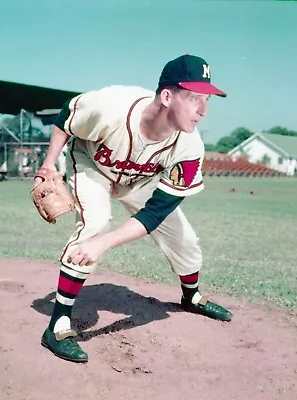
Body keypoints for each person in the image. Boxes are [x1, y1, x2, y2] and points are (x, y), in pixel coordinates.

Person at [33, 54, 232, 364]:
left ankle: (191, 295)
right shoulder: (110, 107)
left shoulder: (190, 148)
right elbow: (65, 119)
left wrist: (105, 244)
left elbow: (155, 213)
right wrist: (48, 165)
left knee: (185, 240)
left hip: (140, 180)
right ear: (167, 96)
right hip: (92, 164)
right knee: (95, 223)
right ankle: (58, 324)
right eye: (195, 99)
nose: (203, 111)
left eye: (207, 101)